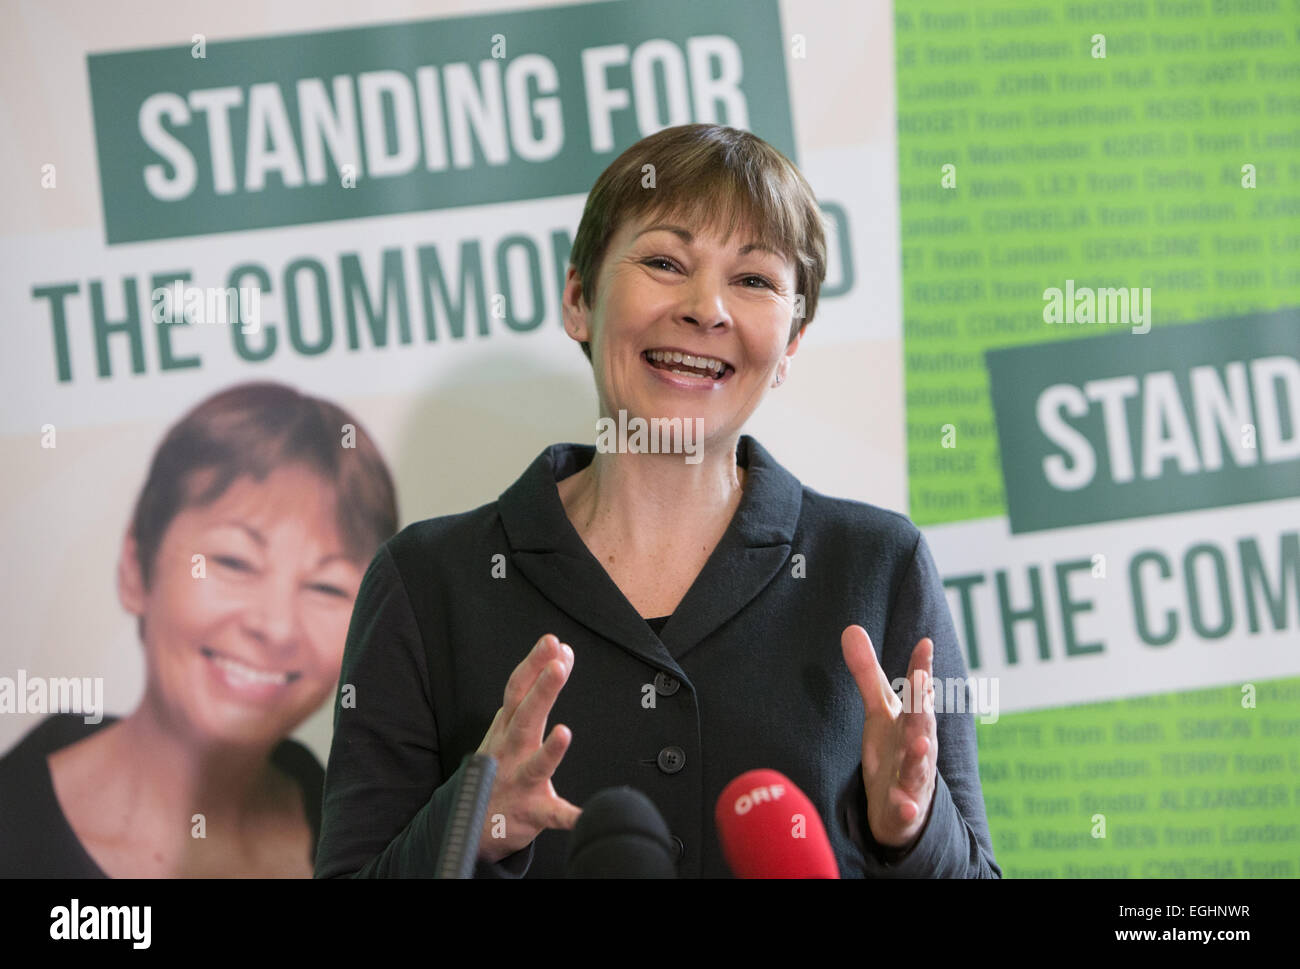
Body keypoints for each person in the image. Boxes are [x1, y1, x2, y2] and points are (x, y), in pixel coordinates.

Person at [315, 123, 1001, 878]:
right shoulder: (425, 581)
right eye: (666, 262)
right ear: (579, 299)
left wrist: (911, 831)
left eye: (754, 280)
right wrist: (470, 823)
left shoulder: (879, 568)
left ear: (792, 343)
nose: (707, 308)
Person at [0, 382, 398, 877]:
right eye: (234, 560)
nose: (276, 626)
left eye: (326, 587)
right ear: (134, 570)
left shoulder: (363, 839)